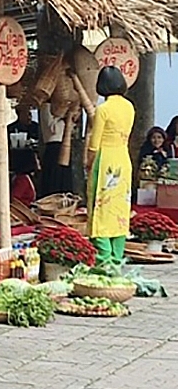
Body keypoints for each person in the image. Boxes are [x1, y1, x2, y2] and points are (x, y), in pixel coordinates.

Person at [87, 66, 135, 267]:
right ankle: (117, 258)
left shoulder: (103, 109)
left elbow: (94, 143)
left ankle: (104, 259)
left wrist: (89, 164)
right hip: (123, 159)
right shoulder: (129, 107)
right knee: (120, 210)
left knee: (100, 208)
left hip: (105, 160)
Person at [39, 103, 74, 196]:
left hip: (64, 145)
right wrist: (63, 117)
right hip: (53, 146)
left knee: (64, 177)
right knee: (53, 177)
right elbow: (51, 128)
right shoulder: (46, 107)